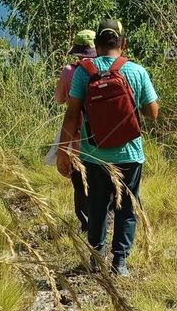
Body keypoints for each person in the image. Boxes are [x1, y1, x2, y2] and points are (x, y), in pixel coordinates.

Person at [56, 18, 159, 277]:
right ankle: (120, 262)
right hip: (130, 154)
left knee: (97, 206)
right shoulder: (136, 71)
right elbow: (152, 113)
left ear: (97, 44)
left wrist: (63, 152)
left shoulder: (82, 72)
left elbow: (71, 115)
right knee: (127, 207)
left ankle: (96, 257)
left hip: (93, 154)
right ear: (122, 43)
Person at [48, 29, 97, 234]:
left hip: (77, 137)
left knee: (80, 182)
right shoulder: (111, 68)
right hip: (105, 137)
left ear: (77, 50)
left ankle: (86, 223)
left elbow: (60, 100)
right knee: (103, 177)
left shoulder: (70, 71)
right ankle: (107, 217)